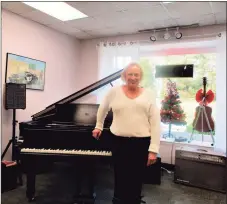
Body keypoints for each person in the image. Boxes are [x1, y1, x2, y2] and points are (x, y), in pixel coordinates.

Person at [92, 62, 161, 204]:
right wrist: (99, 126)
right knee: (120, 176)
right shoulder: (114, 92)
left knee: (136, 178)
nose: (133, 77)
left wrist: (153, 149)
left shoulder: (149, 94)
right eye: (130, 74)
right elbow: (103, 109)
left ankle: (134, 201)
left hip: (141, 143)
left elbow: (155, 122)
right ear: (124, 76)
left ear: (140, 77)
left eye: (136, 74)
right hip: (118, 141)